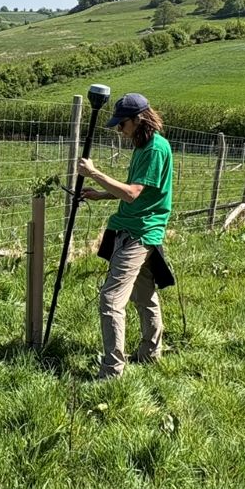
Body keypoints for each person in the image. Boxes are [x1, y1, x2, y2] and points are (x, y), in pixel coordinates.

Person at [77, 92, 175, 379]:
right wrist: (101, 195)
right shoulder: (145, 147)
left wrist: (94, 173)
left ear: (139, 119)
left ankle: (111, 370)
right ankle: (150, 352)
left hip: (138, 233)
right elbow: (137, 190)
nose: (120, 129)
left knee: (110, 300)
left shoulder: (155, 150)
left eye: (123, 124)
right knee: (144, 296)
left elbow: (132, 194)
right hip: (137, 228)